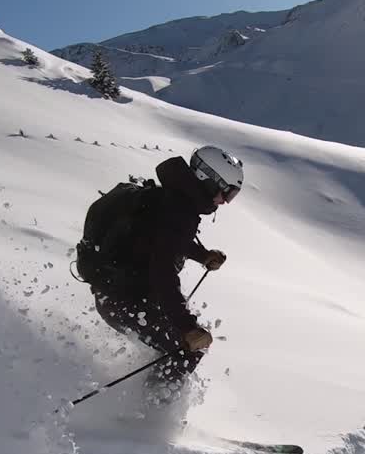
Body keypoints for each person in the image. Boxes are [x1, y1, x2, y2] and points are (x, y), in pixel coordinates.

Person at [75, 145, 244, 408]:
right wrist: (187, 327)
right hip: (125, 300)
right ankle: (145, 420)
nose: (225, 201)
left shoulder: (172, 198)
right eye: (228, 193)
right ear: (210, 181)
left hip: (117, 293)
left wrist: (201, 255)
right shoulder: (179, 211)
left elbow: (162, 241)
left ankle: (140, 411)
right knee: (186, 351)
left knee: (176, 348)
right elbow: (162, 272)